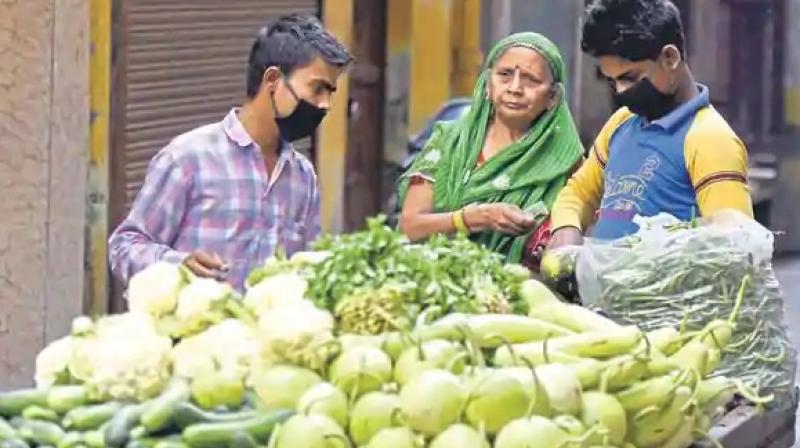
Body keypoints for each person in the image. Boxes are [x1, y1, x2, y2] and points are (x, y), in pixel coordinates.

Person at [109, 14, 353, 291]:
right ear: (273, 80)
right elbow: (125, 246)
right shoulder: (187, 159)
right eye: (318, 88)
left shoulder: (303, 176)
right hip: (195, 331)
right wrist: (177, 265)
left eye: (331, 92)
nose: (326, 104)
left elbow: (308, 268)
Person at [548, 0, 753, 248]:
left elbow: (734, 247)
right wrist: (565, 230)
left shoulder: (710, 139)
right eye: (612, 81)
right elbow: (578, 192)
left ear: (669, 58)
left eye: (630, 77)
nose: (621, 91)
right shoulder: (621, 123)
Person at [397, 32, 584, 266]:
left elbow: (577, 236)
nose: (515, 88)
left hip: (519, 291)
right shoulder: (448, 141)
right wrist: (473, 218)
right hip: (435, 282)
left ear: (553, 97)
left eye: (531, 80)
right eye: (504, 75)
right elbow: (410, 226)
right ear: (487, 84)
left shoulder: (567, 162)